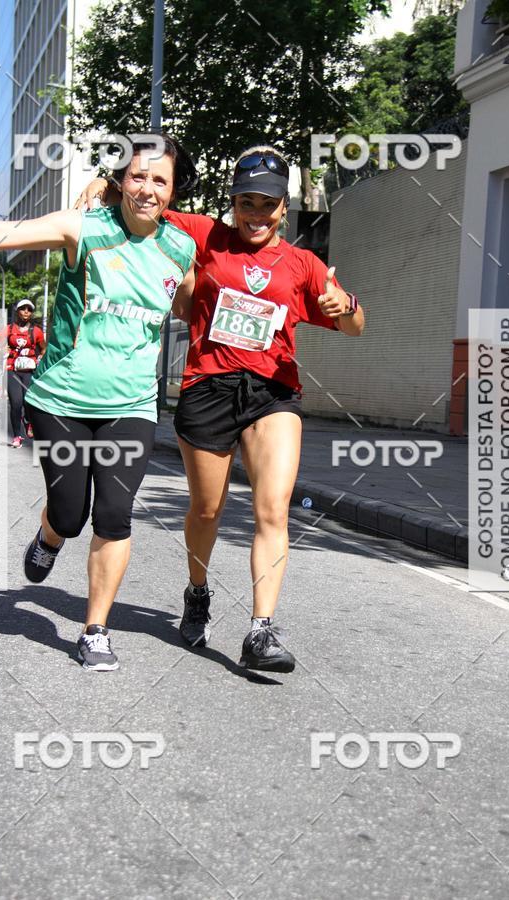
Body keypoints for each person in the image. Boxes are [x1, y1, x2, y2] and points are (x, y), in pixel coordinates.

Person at [78, 143, 365, 674]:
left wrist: (343, 307)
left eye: (268, 204)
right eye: (247, 202)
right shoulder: (205, 236)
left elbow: (355, 321)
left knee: (272, 508)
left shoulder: (303, 263)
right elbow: (145, 201)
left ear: (285, 208)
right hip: (208, 389)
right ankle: (198, 589)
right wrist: (106, 187)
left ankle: (260, 630)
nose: (257, 214)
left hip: (272, 394)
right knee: (207, 510)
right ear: (232, 202)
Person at [0, 135, 198, 671]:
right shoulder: (84, 229)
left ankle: (94, 630)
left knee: (114, 515)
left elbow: (193, 303)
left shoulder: (181, 248)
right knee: (71, 512)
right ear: (120, 181)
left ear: (174, 192)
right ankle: (51, 534)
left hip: (132, 405)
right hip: (62, 399)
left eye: (160, 180)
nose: (147, 188)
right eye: (137, 176)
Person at [6, 299, 45, 447]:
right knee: (16, 403)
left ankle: (28, 420)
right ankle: (17, 436)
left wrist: (39, 358)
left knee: (27, 401)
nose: (26, 311)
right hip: (12, 369)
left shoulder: (36, 331)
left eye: (29, 309)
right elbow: (0, 346)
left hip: (29, 370)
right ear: (17, 311)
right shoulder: (9, 329)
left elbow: (43, 348)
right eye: (23, 308)